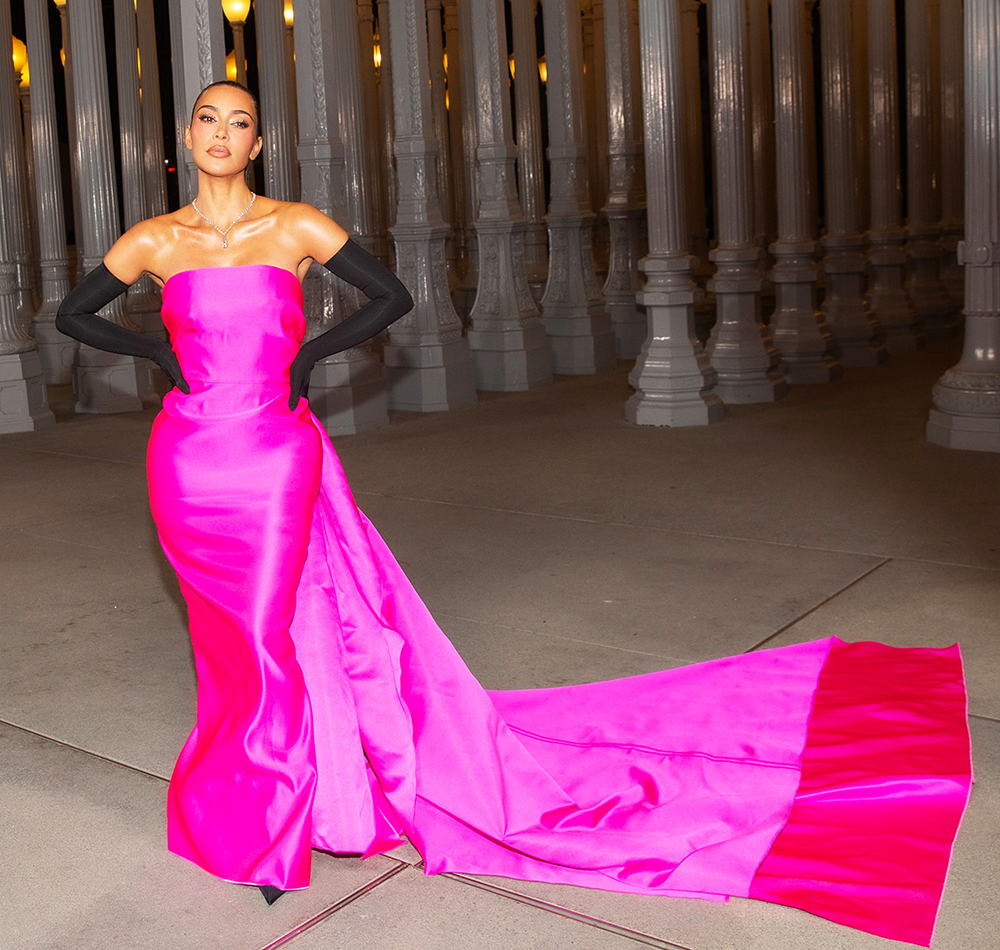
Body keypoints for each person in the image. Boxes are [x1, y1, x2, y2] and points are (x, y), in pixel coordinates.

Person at [55, 81, 971, 944]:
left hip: (273, 451)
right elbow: (76, 314)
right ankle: (240, 795)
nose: (223, 135)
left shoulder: (294, 225)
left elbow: (393, 297)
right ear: (188, 136)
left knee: (266, 631)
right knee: (223, 638)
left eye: (240, 122)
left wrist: (306, 360)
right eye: (209, 120)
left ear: (261, 140)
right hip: (186, 459)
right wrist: (162, 361)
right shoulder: (154, 240)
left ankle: (276, 815)